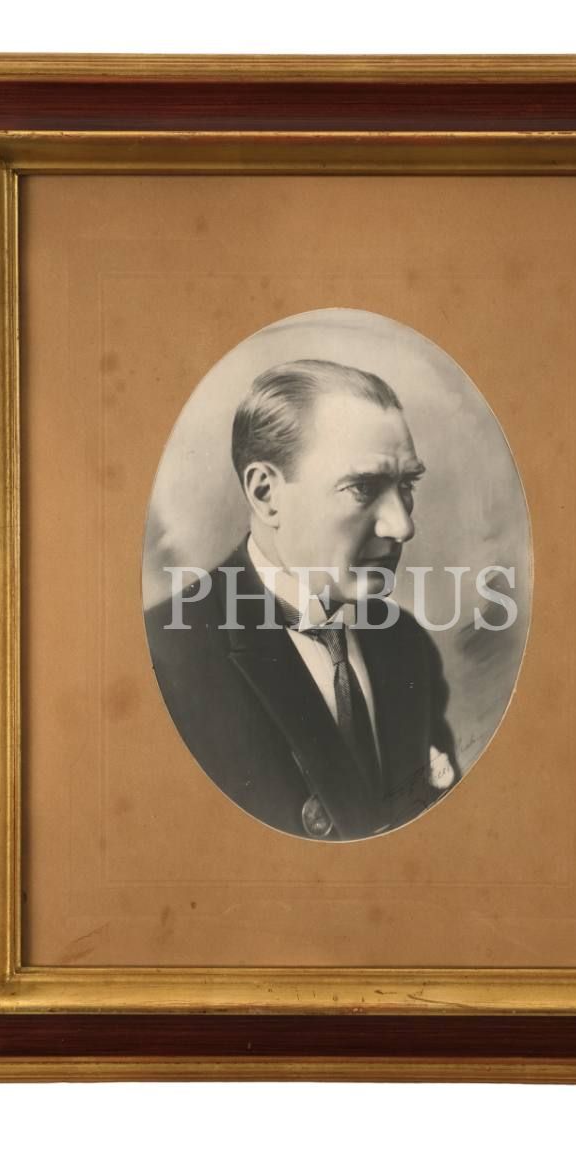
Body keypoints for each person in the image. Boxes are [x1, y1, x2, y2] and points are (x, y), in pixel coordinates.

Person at [144, 358, 459, 841]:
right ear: (266, 493)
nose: (402, 526)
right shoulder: (166, 657)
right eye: (363, 487)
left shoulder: (405, 643)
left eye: (406, 485)